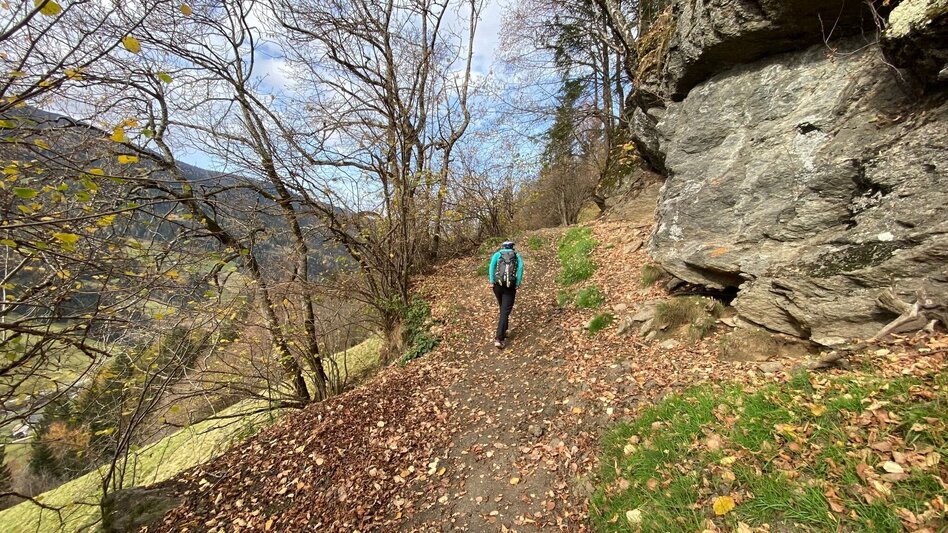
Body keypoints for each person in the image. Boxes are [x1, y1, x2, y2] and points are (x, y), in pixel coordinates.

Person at [487, 240, 524, 349]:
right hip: (510, 287)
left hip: (497, 286)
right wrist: (517, 283)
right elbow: (520, 268)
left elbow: (491, 267)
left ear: (503, 247)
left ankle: (505, 330)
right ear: (512, 247)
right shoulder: (516, 255)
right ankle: (499, 338)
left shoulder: (497, 254)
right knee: (505, 311)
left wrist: (491, 281)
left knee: (503, 309)